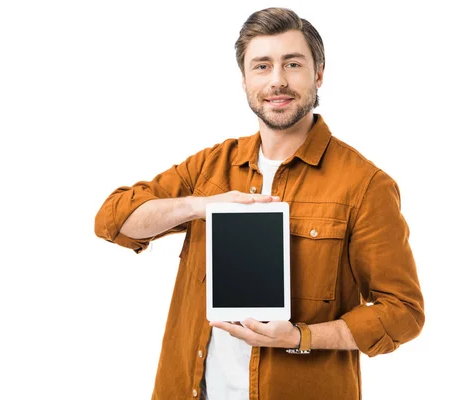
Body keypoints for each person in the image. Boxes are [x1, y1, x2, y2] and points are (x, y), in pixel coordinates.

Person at [94, 7, 424, 400]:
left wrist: (302, 336)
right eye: (262, 66)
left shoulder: (365, 186)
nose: (277, 81)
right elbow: (113, 220)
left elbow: (403, 312)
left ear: (318, 74)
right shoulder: (211, 167)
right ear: (245, 79)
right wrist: (201, 207)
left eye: (293, 64)